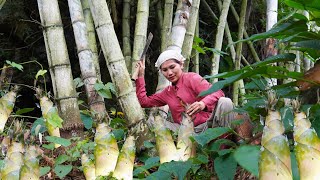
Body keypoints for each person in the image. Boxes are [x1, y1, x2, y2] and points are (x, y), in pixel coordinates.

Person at [132, 49, 245, 134]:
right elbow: (144, 102)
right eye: (165, 70)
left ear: (181, 64)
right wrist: (141, 75)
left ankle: (222, 149)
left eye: (172, 67)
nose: (169, 73)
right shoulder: (167, 92)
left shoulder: (192, 78)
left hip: (208, 126)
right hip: (184, 131)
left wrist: (202, 104)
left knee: (225, 102)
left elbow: (218, 92)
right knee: (152, 122)